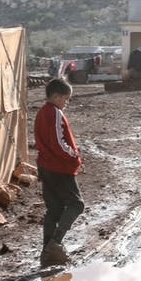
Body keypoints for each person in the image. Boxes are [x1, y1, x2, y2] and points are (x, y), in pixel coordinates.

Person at [35, 78, 84, 266]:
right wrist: (74, 155)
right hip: (59, 167)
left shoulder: (42, 112)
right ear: (55, 96)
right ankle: (55, 244)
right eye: (66, 99)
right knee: (76, 204)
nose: (67, 103)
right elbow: (58, 142)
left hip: (46, 166)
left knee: (54, 209)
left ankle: (46, 253)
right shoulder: (54, 113)